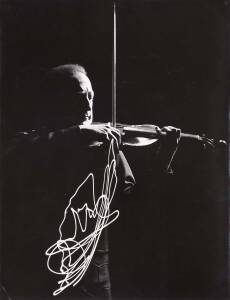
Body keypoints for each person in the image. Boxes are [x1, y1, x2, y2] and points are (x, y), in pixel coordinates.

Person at [2, 64, 180, 300]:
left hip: (94, 282)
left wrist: (164, 158)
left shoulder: (105, 149)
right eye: (79, 97)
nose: (88, 106)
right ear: (55, 102)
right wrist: (79, 133)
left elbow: (135, 203)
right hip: (40, 278)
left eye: (91, 97)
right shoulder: (31, 144)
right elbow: (16, 158)